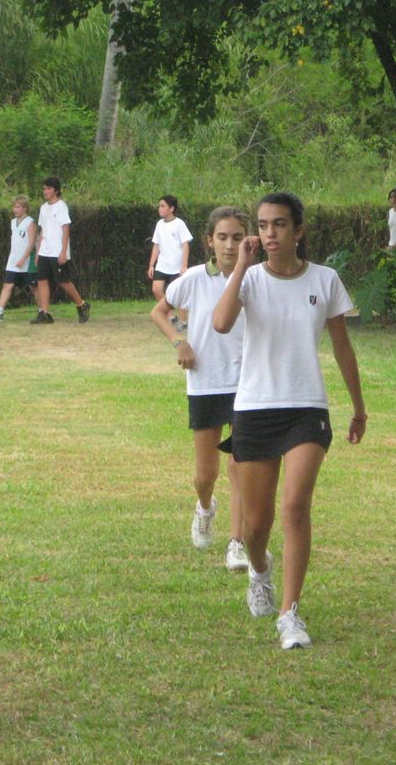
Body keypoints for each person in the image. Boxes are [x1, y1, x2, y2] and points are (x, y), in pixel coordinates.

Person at [213, 192, 367, 650]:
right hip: (255, 407)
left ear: (298, 230)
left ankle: (290, 613)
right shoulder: (249, 278)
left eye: (279, 224)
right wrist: (241, 266)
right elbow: (221, 323)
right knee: (256, 526)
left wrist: (358, 407)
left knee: (295, 506)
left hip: (306, 407)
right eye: (262, 225)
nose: (269, 233)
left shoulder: (325, 279)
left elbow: (342, 347)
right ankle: (260, 571)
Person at [150, 206, 250, 571]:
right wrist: (181, 342)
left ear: (248, 241)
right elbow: (160, 312)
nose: (229, 245)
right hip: (206, 382)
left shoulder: (255, 278)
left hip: (248, 385)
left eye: (237, 237)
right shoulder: (193, 279)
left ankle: (237, 542)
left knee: (241, 466)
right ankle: (205, 507)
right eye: (222, 237)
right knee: (206, 474)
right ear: (210, 241)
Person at [31, 176, 91, 324]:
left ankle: (81, 304)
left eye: (49, 189)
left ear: (56, 191)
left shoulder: (61, 206)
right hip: (45, 250)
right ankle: (45, 313)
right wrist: (38, 251)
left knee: (63, 281)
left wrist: (63, 251)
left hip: (57, 250)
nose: (45, 192)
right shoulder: (43, 208)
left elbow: (66, 229)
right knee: (42, 280)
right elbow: (41, 231)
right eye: (44, 189)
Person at [0, 195, 38, 321]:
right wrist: (14, 258)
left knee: (33, 287)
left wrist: (23, 258)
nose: (15, 209)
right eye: (14, 207)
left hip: (26, 262)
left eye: (18, 207)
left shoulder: (30, 223)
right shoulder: (13, 222)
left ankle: (43, 311)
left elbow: (32, 243)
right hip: (13, 260)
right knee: (7, 285)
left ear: (25, 208)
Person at [147, 195, 192, 331]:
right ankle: (172, 317)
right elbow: (156, 245)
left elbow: (185, 245)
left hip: (177, 267)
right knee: (156, 289)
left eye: (163, 206)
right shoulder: (159, 224)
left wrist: (184, 265)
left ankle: (183, 322)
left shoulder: (179, 224)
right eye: (159, 206)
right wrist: (151, 265)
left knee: (179, 295)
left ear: (171, 208)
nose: (160, 209)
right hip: (162, 265)